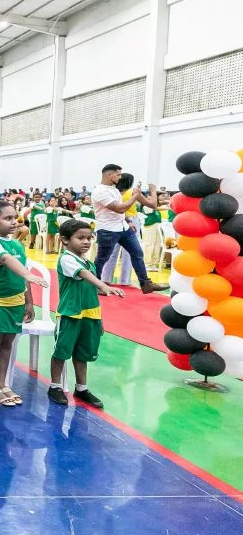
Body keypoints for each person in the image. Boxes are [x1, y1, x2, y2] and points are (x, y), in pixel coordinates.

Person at [0, 199, 47, 407]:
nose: (14, 222)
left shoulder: (16, 243)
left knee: (7, 344)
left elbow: (25, 277)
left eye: (15, 218)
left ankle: (2, 382)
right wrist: (26, 273)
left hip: (16, 302)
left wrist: (29, 302)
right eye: (7, 219)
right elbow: (6, 260)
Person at [50, 219, 125, 409]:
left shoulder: (88, 262)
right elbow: (83, 275)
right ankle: (55, 386)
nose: (86, 242)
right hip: (70, 313)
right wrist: (102, 284)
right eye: (80, 238)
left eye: (89, 238)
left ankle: (81, 388)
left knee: (83, 353)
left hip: (89, 314)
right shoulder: (67, 259)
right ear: (65, 240)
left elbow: (91, 292)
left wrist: (98, 318)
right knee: (61, 352)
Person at [91, 165, 168, 294]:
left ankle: (146, 283)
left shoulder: (114, 190)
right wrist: (135, 196)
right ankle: (96, 284)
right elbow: (120, 208)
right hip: (108, 230)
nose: (120, 177)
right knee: (102, 258)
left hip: (123, 227)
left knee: (137, 253)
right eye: (118, 174)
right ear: (109, 175)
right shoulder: (100, 191)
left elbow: (120, 212)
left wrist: (127, 220)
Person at [142, 191, 174, 270]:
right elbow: (156, 208)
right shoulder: (146, 206)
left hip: (156, 225)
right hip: (150, 226)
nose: (152, 199)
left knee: (157, 244)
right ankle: (147, 263)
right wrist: (167, 207)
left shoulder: (154, 204)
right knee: (149, 244)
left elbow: (159, 205)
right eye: (149, 197)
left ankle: (154, 262)